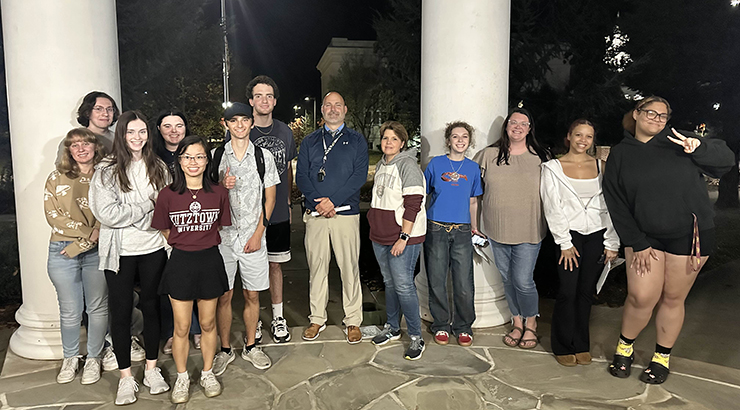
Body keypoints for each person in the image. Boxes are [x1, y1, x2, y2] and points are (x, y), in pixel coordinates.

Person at [603, 96, 734, 384]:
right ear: (636, 114)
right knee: (641, 297)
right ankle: (625, 347)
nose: (656, 119)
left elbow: (725, 161)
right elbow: (616, 201)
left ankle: (662, 356)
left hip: (690, 235)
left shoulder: (679, 140)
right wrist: (636, 241)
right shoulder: (621, 154)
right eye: (650, 112)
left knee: (673, 298)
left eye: (662, 115)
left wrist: (699, 147)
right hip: (644, 237)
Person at [89, 110, 171, 405]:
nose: (137, 138)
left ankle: (151, 368)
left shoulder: (158, 166)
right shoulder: (107, 170)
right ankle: (126, 376)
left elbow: (165, 207)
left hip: (152, 248)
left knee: (151, 307)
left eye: (142, 132)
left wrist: (146, 212)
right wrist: (143, 210)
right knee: (120, 311)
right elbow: (106, 213)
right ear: (121, 135)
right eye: (130, 132)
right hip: (120, 252)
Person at [152, 135, 231, 403]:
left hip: (209, 261)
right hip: (181, 262)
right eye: (187, 157)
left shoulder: (219, 192)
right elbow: (164, 229)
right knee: (182, 326)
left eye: (199, 156)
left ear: (207, 160)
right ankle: (183, 377)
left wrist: (199, 239)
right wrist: (186, 241)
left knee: (208, 323)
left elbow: (219, 225)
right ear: (179, 161)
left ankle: (207, 372)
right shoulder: (167, 195)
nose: (193, 162)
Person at [540, 119, 620, 366]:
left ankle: (581, 343)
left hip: (597, 234)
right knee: (567, 290)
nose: (583, 140)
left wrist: (612, 241)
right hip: (569, 235)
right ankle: (562, 345)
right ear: (569, 136)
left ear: (593, 140)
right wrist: (564, 242)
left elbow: (612, 205)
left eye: (588, 136)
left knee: (586, 292)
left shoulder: (602, 166)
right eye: (578, 135)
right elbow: (551, 206)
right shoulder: (552, 167)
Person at [295, 91, 369, 344]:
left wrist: (333, 202)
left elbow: (359, 176)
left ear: (345, 109)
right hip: (315, 214)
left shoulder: (357, 140)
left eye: (338, 104)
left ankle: (353, 321)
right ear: (323, 110)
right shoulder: (310, 141)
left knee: (349, 268)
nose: (333, 109)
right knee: (317, 269)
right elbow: (301, 176)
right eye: (328, 105)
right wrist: (320, 201)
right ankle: (317, 318)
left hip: (345, 215)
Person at [211, 103, 279, 376]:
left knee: (252, 294)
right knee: (224, 296)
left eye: (244, 120)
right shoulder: (215, 156)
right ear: (225, 124)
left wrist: (259, 233)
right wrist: (219, 186)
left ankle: (252, 345)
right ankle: (225, 349)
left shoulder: (263, 157)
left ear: (252, 123)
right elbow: (202, 194)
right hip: (223, 238)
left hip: (253, 236)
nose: (239, 125)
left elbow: (270, 197)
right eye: (233, 120)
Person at [474, 108, 550, 350]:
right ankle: (516, 322)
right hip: (496, 229)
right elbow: (472, 190)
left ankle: (531, 323)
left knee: (523, 280)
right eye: (513, 122)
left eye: (523, 123)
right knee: (507, 279)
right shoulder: (488, 155)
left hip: (529, 229)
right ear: (506, 127)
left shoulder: (541, 156)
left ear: (530, 129)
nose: (517, 126)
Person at [45, 128, 108, 385]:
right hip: (63, 250)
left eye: (86, 144)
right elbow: (53, 216)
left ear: (95, 147)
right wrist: (87, 236)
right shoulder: (56, 177)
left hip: (96, 251)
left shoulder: (107, 176)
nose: (81, 149)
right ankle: (71, 357)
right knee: (70, 311)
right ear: (68, 151)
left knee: (97, 307)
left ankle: (94, 357)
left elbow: (111, 213)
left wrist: (88, 240)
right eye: (75, 145)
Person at [368, 121, 426, 359]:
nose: (388, 142)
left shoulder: (408, 166)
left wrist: (404, 237)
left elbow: (413, 204)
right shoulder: (382, 164)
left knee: (403, 285)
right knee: (390, 283)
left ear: (402, 143)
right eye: (385, 138)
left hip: (403, 237)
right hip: (380, 235)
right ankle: (392, 327)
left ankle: (415, 337)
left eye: (394, 139)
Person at [247, 75, 298, 343]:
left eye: (268, 95)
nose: (263, 100)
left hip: (277, 210)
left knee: (275, 265)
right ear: (251, 101)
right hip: (249, 212)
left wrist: (288, 202)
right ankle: (253, 319)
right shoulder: (243, 129)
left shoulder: (284, 131)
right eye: (258, 95)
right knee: (251, 265)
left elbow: (287, 168)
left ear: (274, 101)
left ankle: (278, 316)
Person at [423, 121, 482, 347]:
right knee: (437, 279)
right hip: (436, 227)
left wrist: (474, 227)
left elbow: (473, 201)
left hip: (462, 230)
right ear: (448, 140)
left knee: (464, 282)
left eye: (464, 137)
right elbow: (424, 194)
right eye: (455, 136)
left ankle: (463, 326)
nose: (460, 140)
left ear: (469, 141)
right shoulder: (436, 164)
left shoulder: (473, 168)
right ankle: (440, 325)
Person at [151, 110, 201, 354]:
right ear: (159, 129)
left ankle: (197, 329)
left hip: (193, 226)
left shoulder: (196, 154)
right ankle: (173, 332)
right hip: (165, 231)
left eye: (179, 125)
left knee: (195, 281)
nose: (174, 130)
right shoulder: (152, 157)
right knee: (172, 284)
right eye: (167, 126)